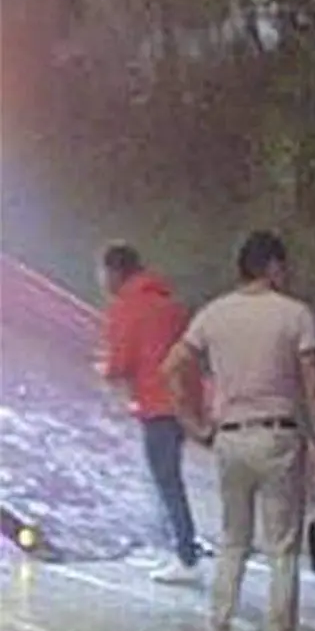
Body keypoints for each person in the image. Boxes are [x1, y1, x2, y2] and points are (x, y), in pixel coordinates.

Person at [162, 231, 315, 631]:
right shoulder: (294, 314)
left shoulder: (214, 314)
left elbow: (172, 365)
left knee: (232, 542)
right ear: (274, 266)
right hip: (278, 436)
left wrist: (193, 422)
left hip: (229, 438)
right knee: (282, 550)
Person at [96, 243, 201, 585]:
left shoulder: (126, 307)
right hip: (181, 402)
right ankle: (177, 548)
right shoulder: (170, 304)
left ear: (114, 272)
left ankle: (184, 555)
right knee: (167, 477)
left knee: (166, 480)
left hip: (156, 405)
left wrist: (105, 370)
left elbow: (122, 360)